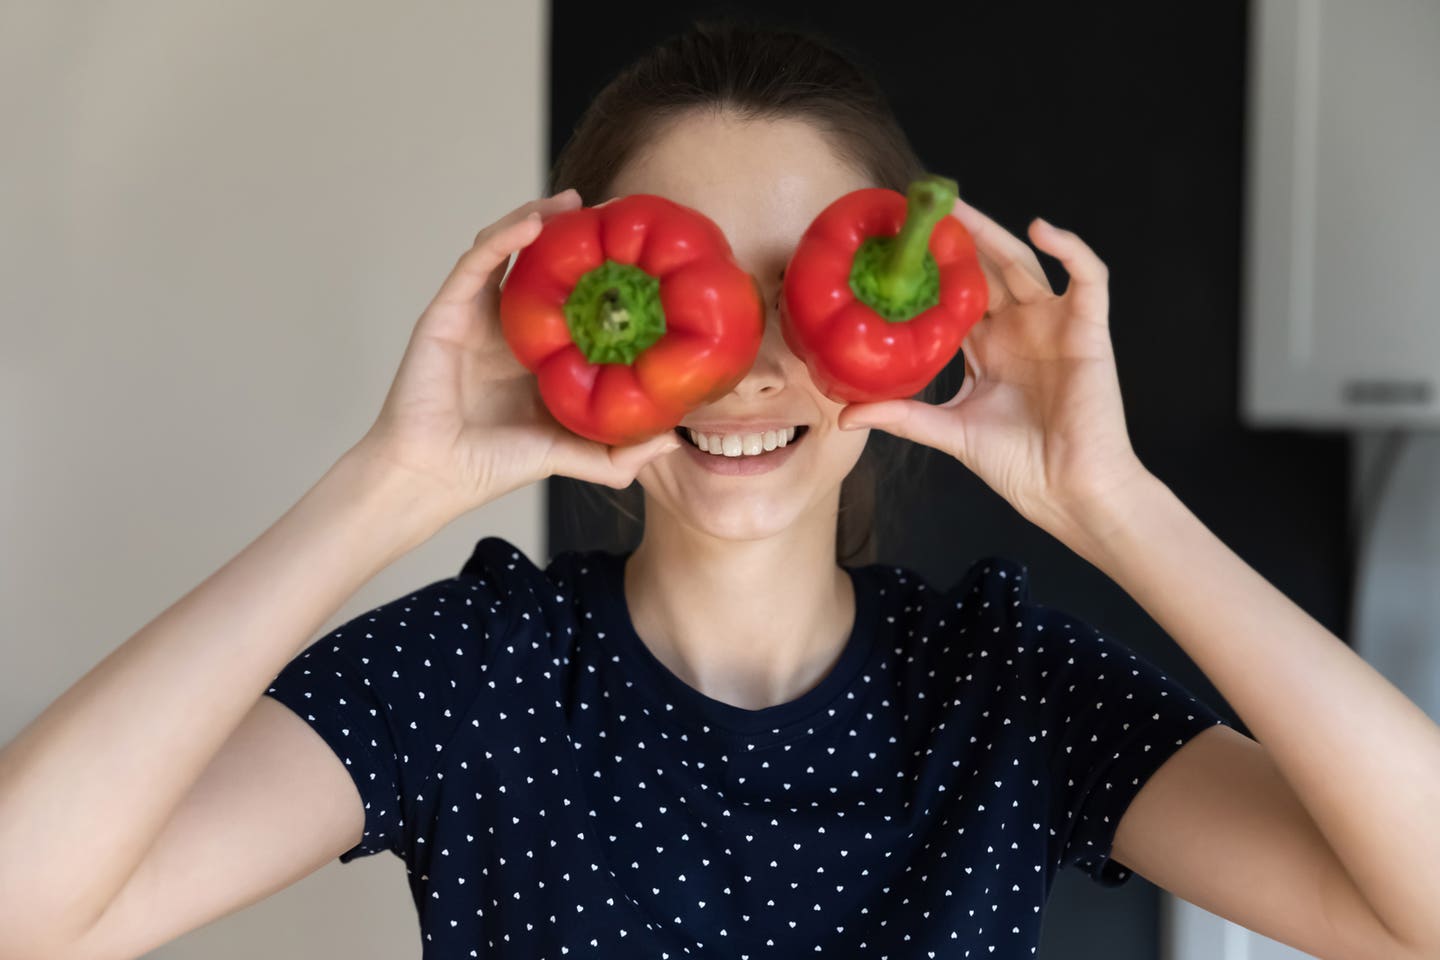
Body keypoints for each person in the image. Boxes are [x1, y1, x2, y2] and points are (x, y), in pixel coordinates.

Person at [3, 17, 1437, 960]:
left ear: (899, 329)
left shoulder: (1005, 696)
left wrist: (1111, 501)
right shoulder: (475, 678)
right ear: (570, 314)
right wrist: (390, 485)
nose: (741, 366)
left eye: (801, 295)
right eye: (673, 290)